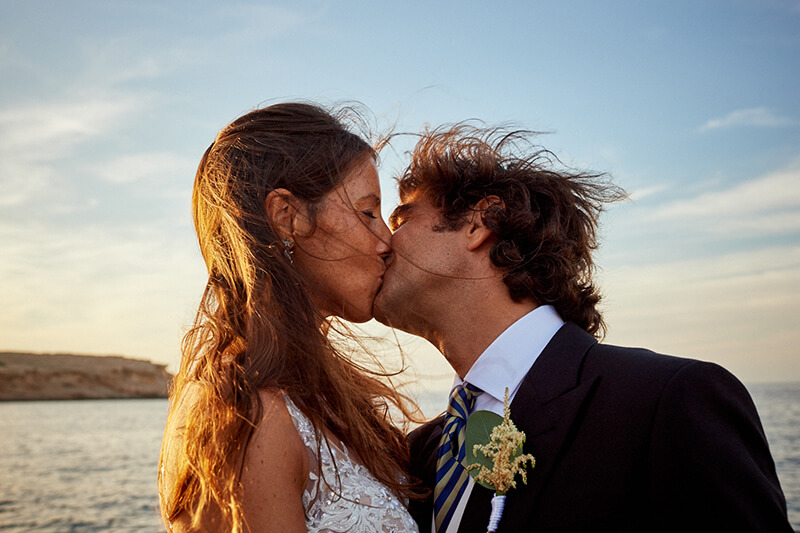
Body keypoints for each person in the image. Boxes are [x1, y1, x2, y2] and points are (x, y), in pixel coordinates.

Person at [373, 124, 792, 532]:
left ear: (481, 222)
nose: (381, 243)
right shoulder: (423, 452)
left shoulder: (666, 399)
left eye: (400, 220)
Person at [159, 102, 420, 533]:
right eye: (368, 213)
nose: (386, 242)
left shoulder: (316, 396)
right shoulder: (249, 417)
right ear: (287, 216)